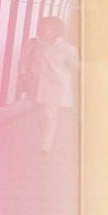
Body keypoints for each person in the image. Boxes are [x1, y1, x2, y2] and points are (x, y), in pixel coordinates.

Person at [30, 15, 79, 154]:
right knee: (41, 116)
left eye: (52, 26)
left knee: (49, 115)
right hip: (37, 86)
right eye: (45, 25)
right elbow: (25, 60)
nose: (48, 29)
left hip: (56, 86)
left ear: (58, 29)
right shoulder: (34, 44)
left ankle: (46, 145)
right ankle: (45, 138)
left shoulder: (67, 48)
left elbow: (75, 67)